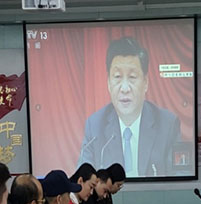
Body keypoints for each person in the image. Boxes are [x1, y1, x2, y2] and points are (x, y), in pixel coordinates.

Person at [77, 37, 181, 177]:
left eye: (132, 77)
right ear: (108, 83)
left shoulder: (167, 124)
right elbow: (82, 179)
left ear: (145, 82)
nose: (125, 88)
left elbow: (178, 176)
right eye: (117, 77)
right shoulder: (95, 126)